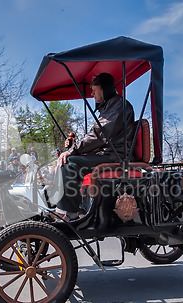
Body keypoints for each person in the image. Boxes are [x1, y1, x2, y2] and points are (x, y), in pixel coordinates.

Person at [50, 72, 135, 221]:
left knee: (69, 163)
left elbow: (99, 135)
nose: (91, 93)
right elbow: (98, 137)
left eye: (94, 90)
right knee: (70, 159)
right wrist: (74, 147)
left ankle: (68, 212)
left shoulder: (118, 104)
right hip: (108, 154)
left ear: (104, 88)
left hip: (116, 157)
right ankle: (65, 208)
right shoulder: (111, 106)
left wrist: (73, 150)